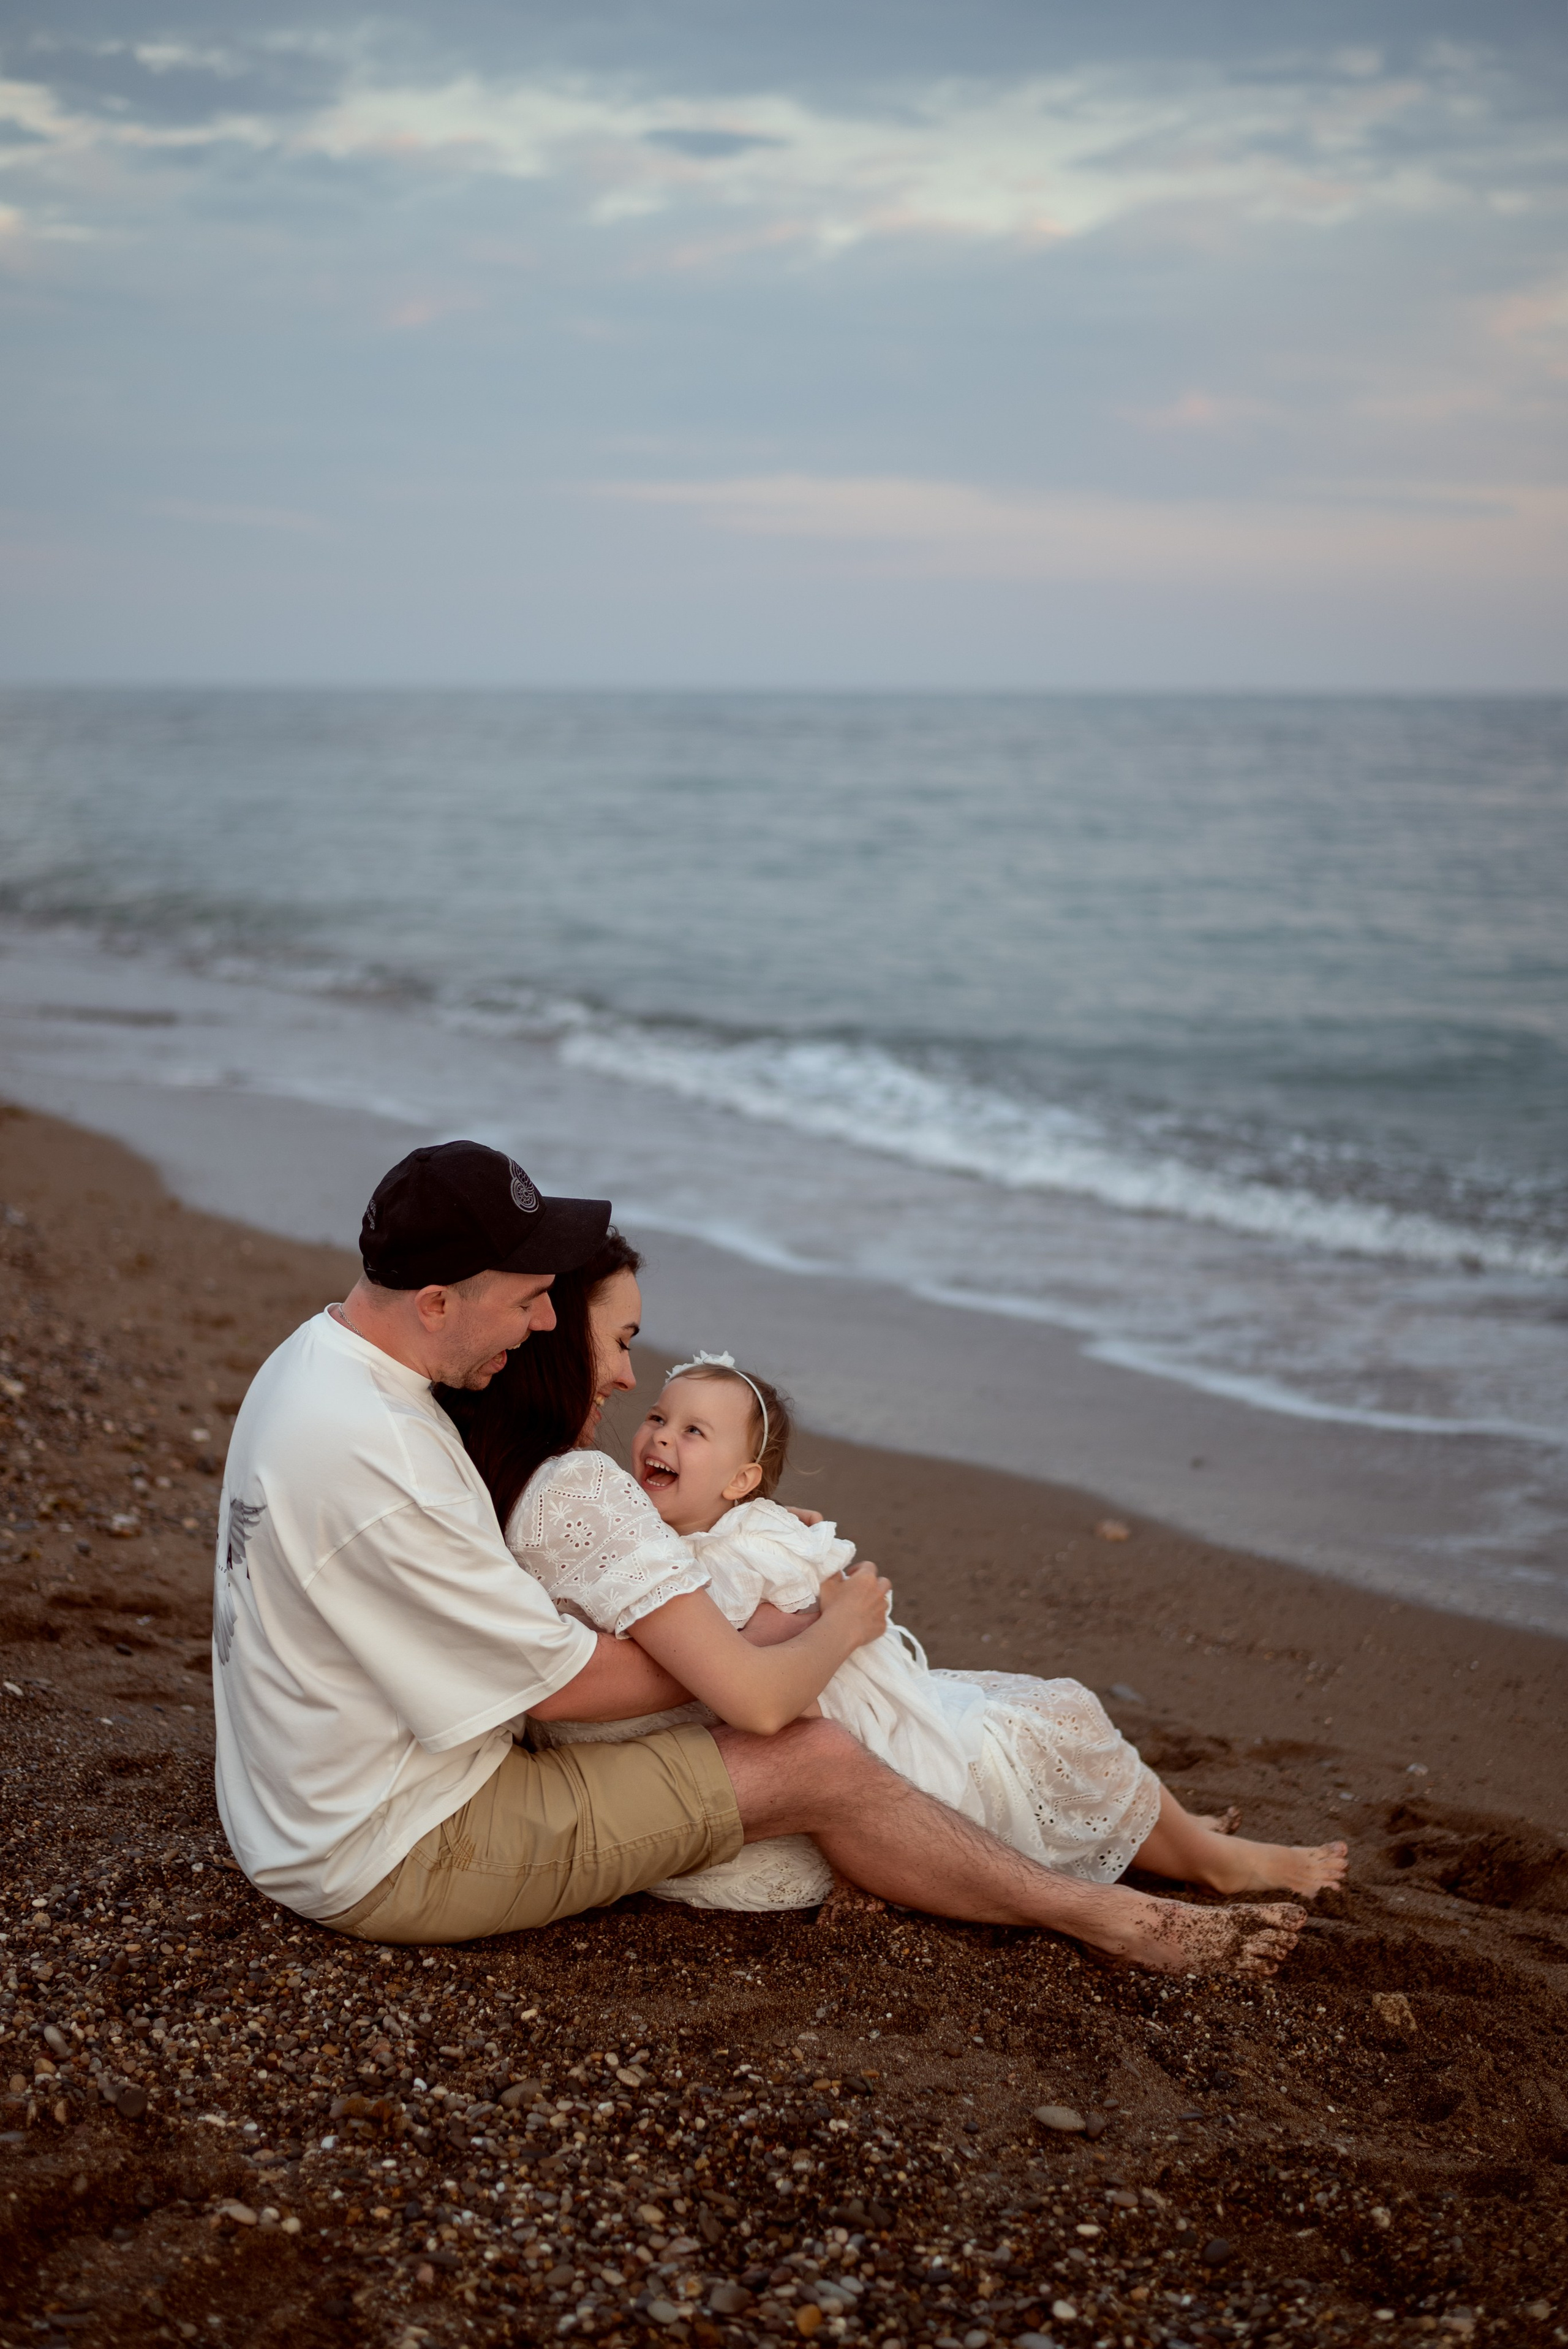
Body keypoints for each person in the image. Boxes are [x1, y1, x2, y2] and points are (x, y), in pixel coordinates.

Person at [449, 1228, 1311, 1975]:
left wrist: (743, 1535)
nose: (631, 1381)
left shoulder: (497, 1469)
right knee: (1041, 1721)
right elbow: (752, 1690)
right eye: (621, 1339)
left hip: (660, 1765)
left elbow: (631, 1606)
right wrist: (834, 1619)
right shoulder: (579, 1486)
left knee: (1009, 1710)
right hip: (710, 1777)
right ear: (554, 1335)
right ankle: (1176, 1876)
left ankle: (1189, 1840)